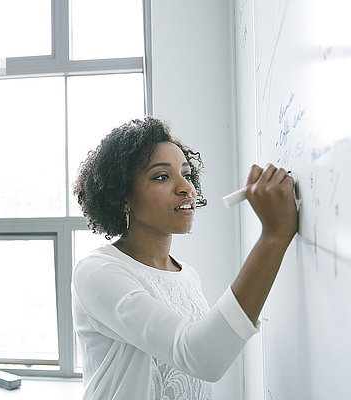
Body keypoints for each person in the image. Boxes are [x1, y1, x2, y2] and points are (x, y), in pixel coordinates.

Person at [71, 116, 298, 400]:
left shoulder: (187, 274)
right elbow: (201, 357)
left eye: (187, 175)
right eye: (162, 177)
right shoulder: (98, 272)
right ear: (122, 197)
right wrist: (273, 236)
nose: (186, 188)